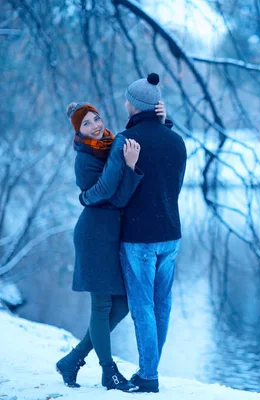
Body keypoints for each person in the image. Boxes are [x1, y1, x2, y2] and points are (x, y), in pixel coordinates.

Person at [79, 73, 187, 393]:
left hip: (139, 236)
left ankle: (149, 376)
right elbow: (174, 186)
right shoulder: (177, 140)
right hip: (171, 233)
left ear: (133, 104)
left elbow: (112, 193)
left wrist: (86, 198)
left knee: (142, 306)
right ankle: (150, 369)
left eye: (127, 99)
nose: (124, 103)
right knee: (162, 304)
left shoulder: (126, 141)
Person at [55, 101, 167, 392]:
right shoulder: (85, 158)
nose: (95, 125)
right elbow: (106, 193)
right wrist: (125, 162)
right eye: (87, 124)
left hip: (111, 233)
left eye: (96, 118)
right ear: (79, 131)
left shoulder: (109, 147)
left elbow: (117, 199)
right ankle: (109, 372)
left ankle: (73, 359)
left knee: (123, 304)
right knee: (102, 305)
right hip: (94, 235)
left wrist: (162, 123)